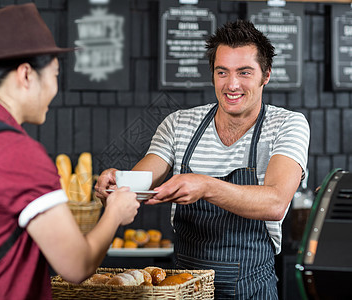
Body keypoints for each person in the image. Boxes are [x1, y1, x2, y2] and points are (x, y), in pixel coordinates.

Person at [0, 4, 140, 299]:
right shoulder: (16, 154)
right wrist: (115, 213)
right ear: (26, 75)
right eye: (55, 74)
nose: (55, 89)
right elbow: (77, 266)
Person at [95, 20, 310, 299]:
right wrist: (117, 183)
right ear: (212, 74)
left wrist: (206, 187)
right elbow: (141, 182)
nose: (232, 85)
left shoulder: (287, 125)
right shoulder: (179, 124)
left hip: (251, 289)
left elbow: (275, 202)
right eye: (222, 72)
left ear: (265, 75)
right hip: (183, 288)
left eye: (244, 72)